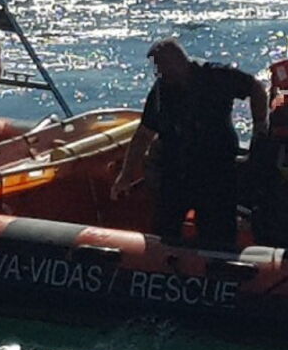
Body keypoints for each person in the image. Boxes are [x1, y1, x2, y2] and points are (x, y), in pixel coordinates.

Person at [110, 38, 268, 251]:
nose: (159, 74)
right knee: (164, 230)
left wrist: (259, 126)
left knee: (218, 233)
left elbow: (255, 88)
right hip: (177, 170)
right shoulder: (161, 91)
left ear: (176, 62)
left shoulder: (215, 76)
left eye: (161, 67)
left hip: (216, 169)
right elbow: (144, 134)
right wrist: (126, 175)